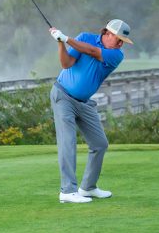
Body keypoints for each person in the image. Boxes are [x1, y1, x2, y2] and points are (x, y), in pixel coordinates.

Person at [49, 19, 133, 204]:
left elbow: (92, 51)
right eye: (118, 39)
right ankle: (67, 191)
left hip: (84, 103)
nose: (120, 44)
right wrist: (60, 43)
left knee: (100, 143)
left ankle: (88, 187)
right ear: (107, 33)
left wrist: (66, 38)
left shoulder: (116, 55)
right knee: (68, 142)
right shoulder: (84, 38)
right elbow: (66, 64)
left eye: (122, 42)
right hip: (63, 96)